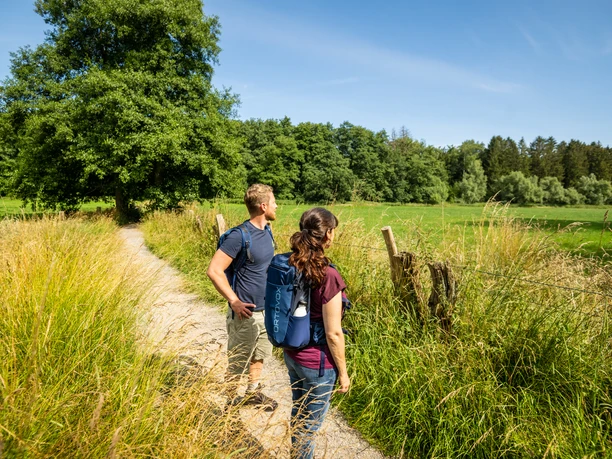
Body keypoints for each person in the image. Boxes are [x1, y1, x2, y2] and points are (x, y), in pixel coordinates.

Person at [284, 207, 350, 459]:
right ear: (327, 235)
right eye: (333, 231)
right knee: (309, 427)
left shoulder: (291, 262)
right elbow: (333, 333)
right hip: (317, 363)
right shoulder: (328, 274)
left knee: (299, 416)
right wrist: (343, 374)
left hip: (292, 353)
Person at [206, 183, 279, 411]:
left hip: (266, 310)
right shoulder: (239, 236)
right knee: (237, 363)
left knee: (259, 356)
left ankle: (252, 393)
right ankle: (228, 408)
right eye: (274, 202)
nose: (278, 206)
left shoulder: (267, 231)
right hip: (245, 313)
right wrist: (234, 301)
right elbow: (214, 270)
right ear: (264, 205)